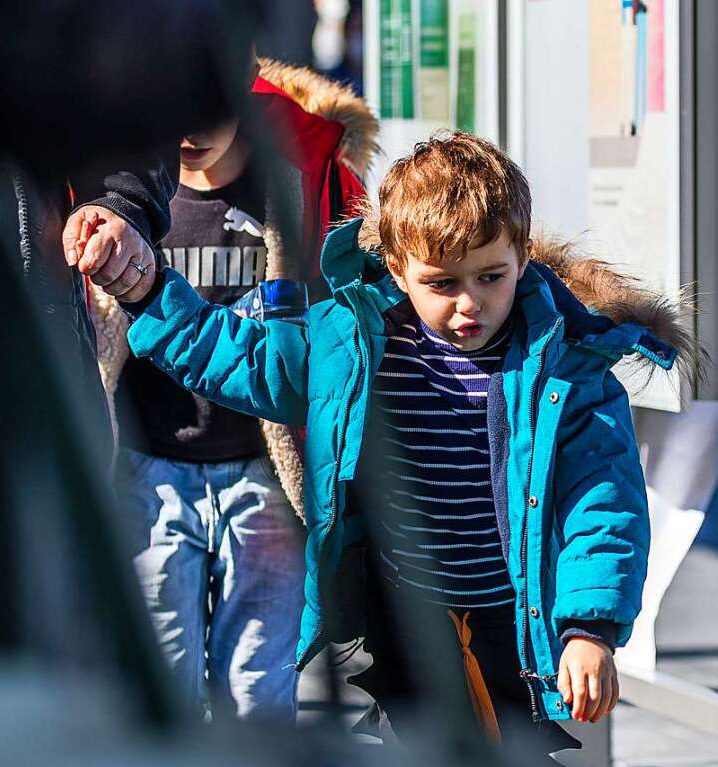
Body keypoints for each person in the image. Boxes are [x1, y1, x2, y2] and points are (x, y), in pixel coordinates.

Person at [112, 132, 692, 754]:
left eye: (490, 276)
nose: (470, 304)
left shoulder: (567, 369)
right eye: (442, 284)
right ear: (396, 267)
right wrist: (147, 292)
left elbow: (602, 503)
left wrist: (588, 630)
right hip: (390, 619)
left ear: (523, 256)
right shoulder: (350, 342)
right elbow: (244, 357)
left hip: (509, 624)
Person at [75, 57, 378, 722]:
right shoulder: (119, 198)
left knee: (256, 694)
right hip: (149, 471)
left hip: (265, 477)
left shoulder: (296, 178)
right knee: (161, 686)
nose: (187, 129)